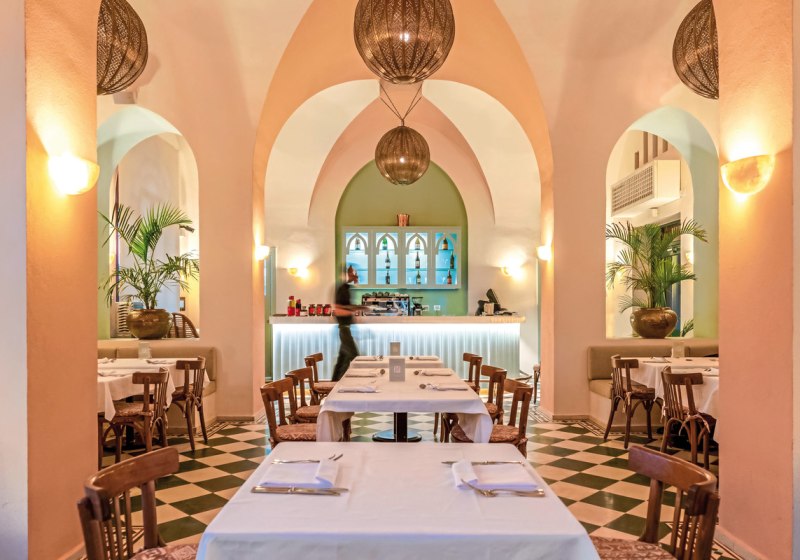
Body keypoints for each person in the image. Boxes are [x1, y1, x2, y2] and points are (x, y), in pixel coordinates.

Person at [332, 269, 366, 381]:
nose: (356, 276)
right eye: (353, 274)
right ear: (346, 275)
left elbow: (345, 307)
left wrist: (357, 308)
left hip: (346, 328)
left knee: (342, 359)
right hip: (344, 328)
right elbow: (338, 310)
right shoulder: (342, 289)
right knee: (354, 356)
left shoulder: (346, 288)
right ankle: (345, 383)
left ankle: (334, 383)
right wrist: (353, 310)